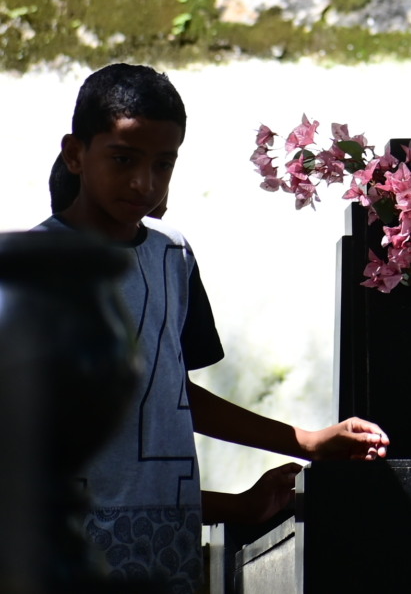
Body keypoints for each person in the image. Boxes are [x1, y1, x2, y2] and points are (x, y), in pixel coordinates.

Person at [39, 63, 390, 593]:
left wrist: (305, 443)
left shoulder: (173, 258)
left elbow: (170, 399)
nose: (144, 182)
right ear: (75, 154)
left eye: (163, 163)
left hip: (166, 555)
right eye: (123, 159)